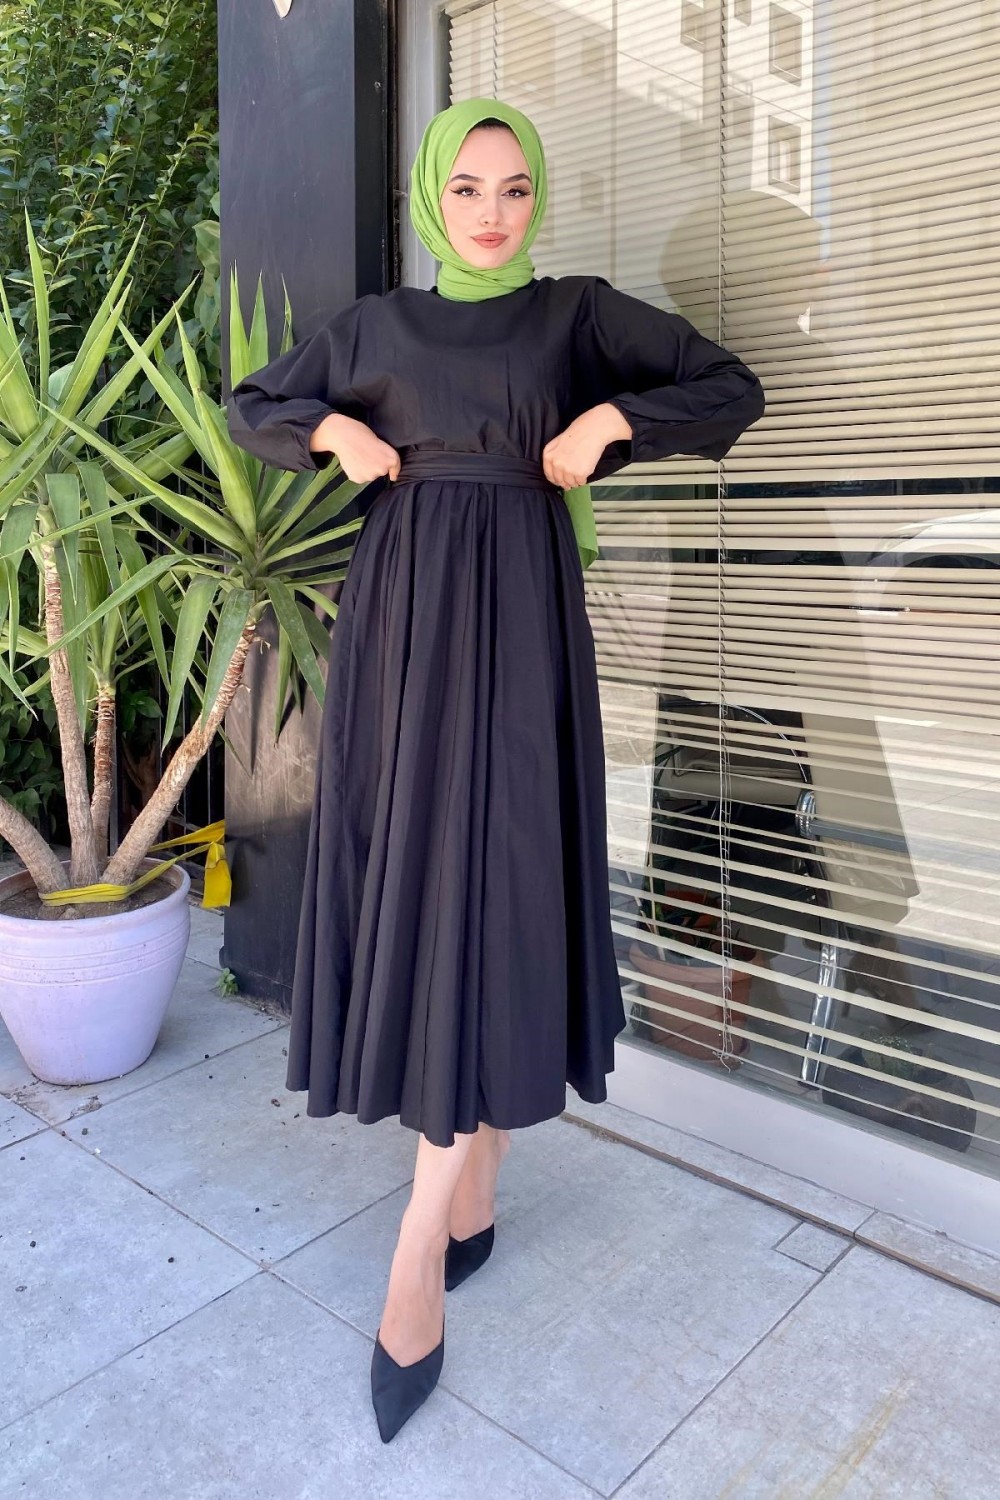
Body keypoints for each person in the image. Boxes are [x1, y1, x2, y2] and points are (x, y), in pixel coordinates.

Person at [226, 96, 765, 1444]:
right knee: (428, 881)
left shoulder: (572, 317)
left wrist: (610, 424)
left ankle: (427, 1239)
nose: (491, 211)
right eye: (466, 186)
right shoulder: (379, 329)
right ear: (432, 194)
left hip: (524, 632)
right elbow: (257, 403)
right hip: (404, 638)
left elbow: (727, 386)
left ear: (538, 201)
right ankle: (462, 1196)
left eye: (515, 188)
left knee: (503, 881)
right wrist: (335, 437)